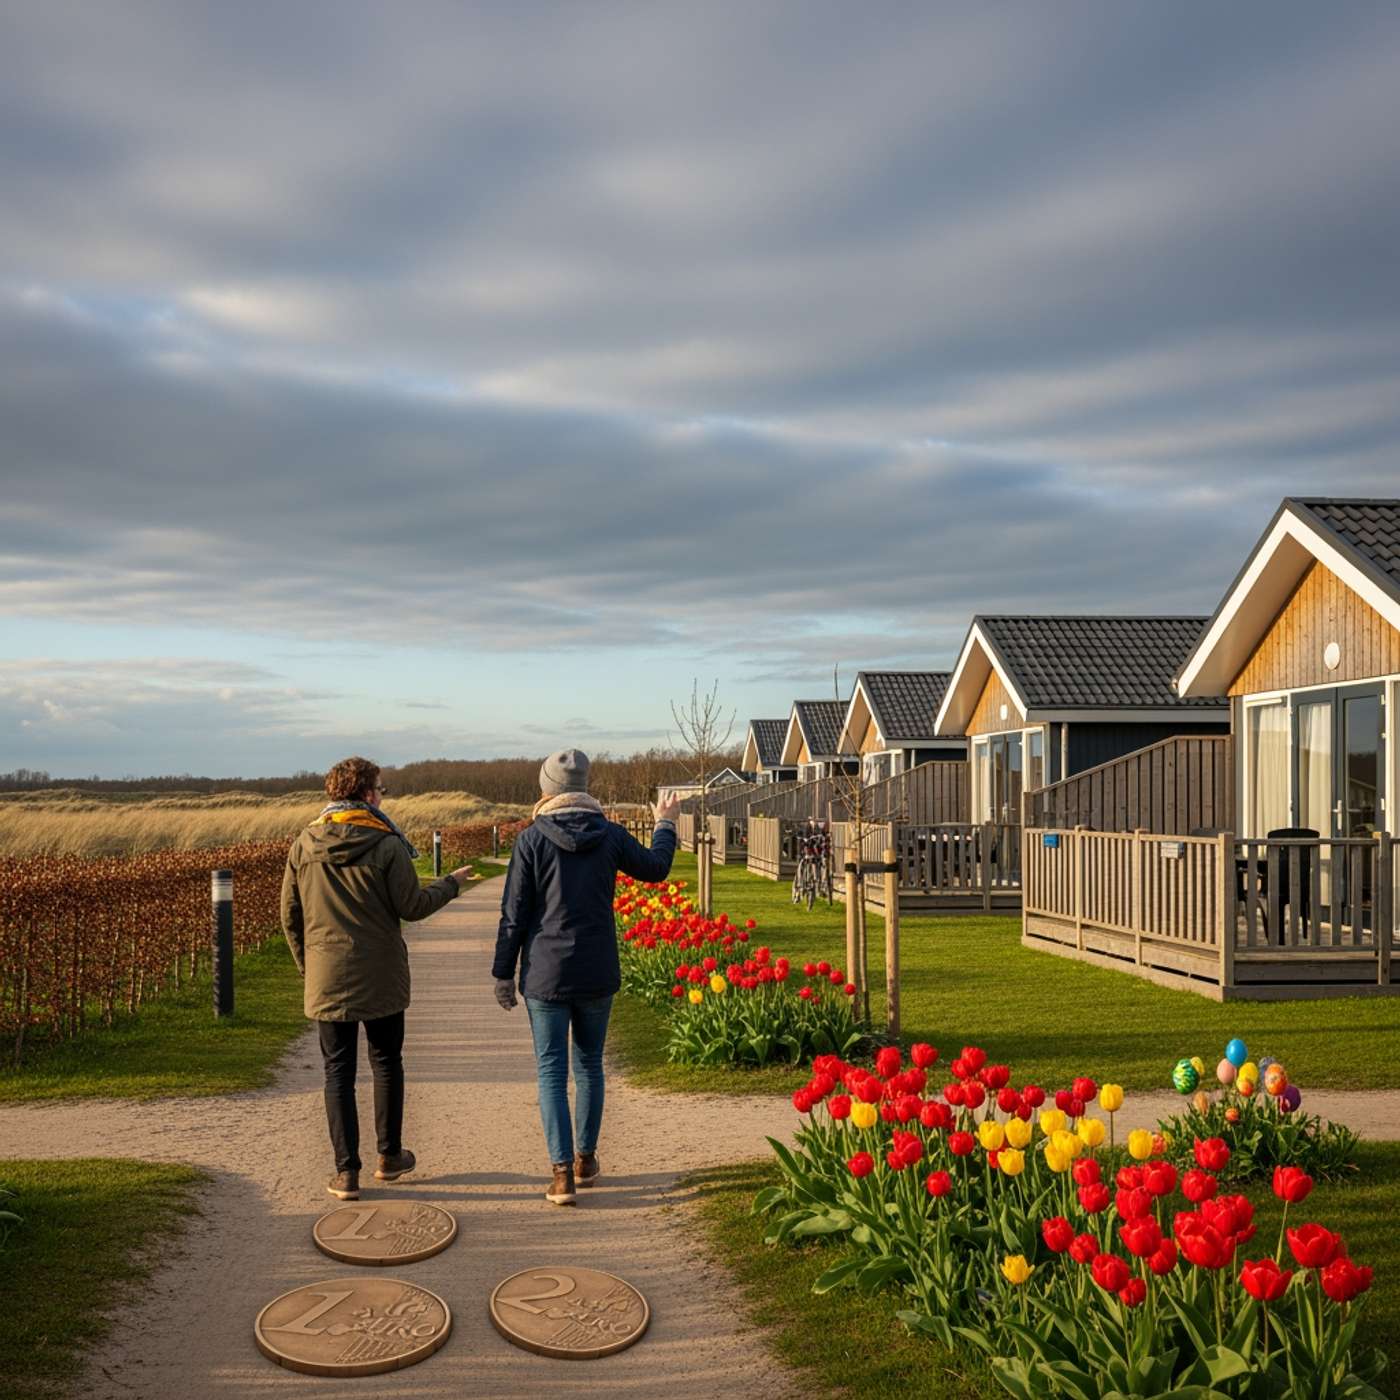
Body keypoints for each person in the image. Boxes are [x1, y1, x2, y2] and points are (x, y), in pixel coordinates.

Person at [281, 755, 475, 1200]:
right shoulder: (387, 845)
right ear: (368, 794)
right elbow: (413, 907)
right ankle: (388, 1157)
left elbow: (290, 916)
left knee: (338, 1072)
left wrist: (309, 968)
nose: (383, 797)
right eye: (382, 789)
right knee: (386, 1062)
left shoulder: (304, 844)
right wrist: (450, 884)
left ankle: (346, 1172)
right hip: (382, 974)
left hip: (327, 974)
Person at [492, 749, 680, 1205]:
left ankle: (561, 1175)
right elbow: (656, 868)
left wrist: (503, 973)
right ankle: (586, 1159)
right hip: (596, 968)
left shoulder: (531, 840)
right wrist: (666, 824)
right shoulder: (609, 835)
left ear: (546, 788)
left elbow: (514, 914)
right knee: (590, 1064)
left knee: (551, 1070)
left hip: (546, 973)